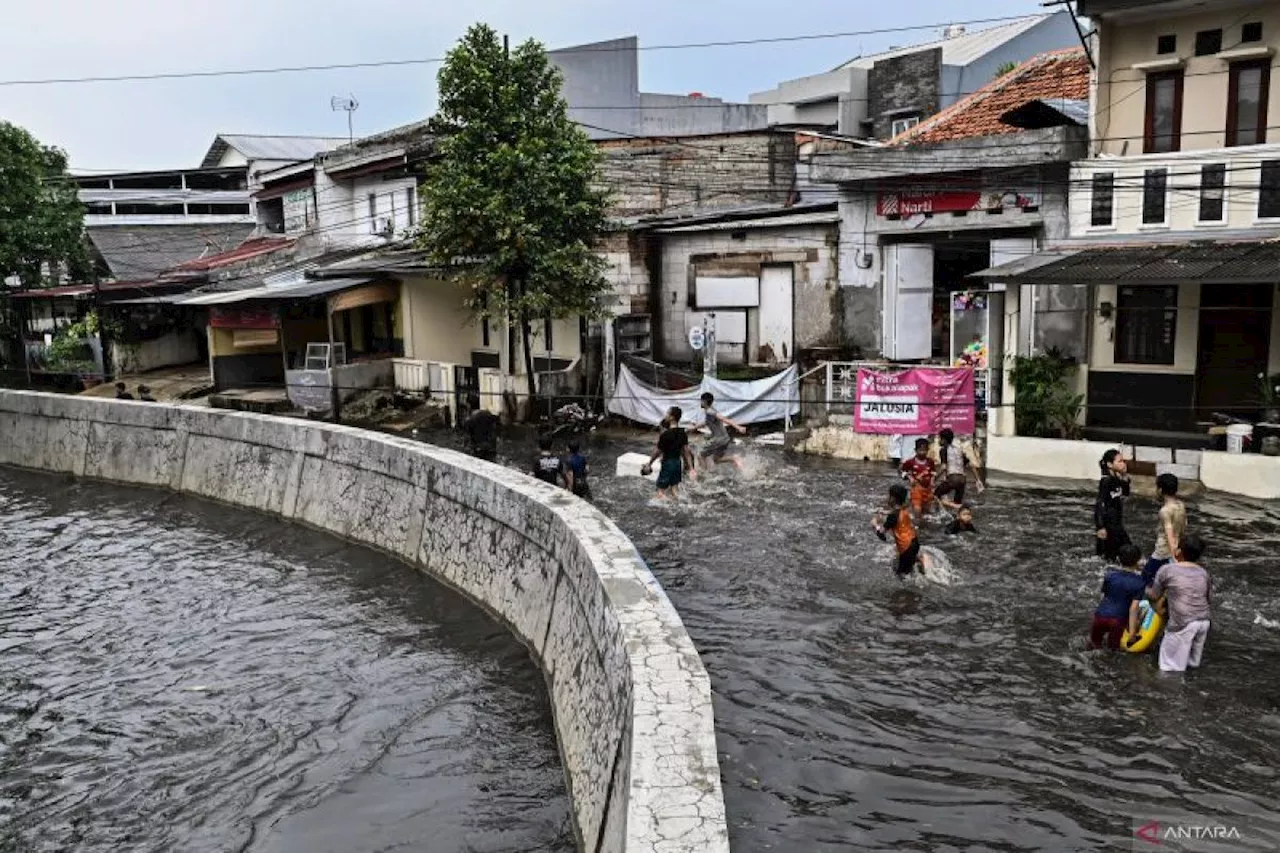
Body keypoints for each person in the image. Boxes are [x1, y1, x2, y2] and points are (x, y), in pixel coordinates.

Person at [1147, 534, 1212, 673]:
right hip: (1203, 621)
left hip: (1182, 623)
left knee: (1169, 669)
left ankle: (1170, 693)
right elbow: (1208, 599)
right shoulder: (1203, 572)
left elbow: (1154, 595)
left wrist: (1142, 587)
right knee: (1192, 666)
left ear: (1179, 552)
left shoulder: (1167, 570)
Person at [1089, 543, 1146, 650]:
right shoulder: (1139, 582)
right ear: (1138, 560)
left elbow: (1103, 598)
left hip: (1099, 617)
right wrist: (1132, 634)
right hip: (1117, 621)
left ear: (1118, 559)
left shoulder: (1109, 576)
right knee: (1113, 651)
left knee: (1093, 645)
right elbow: (1133, 609)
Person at [643, 407, 696, 501]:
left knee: (660, 492)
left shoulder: (665, 435)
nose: (665, 415)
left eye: (667, 413)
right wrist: (691, 468)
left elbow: (657, 452)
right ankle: (681, 504)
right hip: (678, 463)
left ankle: (668, 504)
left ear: (672, 417)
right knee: (675, 490)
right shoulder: (682, 433)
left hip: (667, 464)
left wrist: (649, 463)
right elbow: (686, 452)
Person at [1143, 473, 1187, 586]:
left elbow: (1169, 532)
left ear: (1161, 490)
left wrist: (1174, 555)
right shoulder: (1180, 505)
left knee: (1145, 578)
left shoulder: (1165, 511)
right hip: (1177, 546)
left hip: (1163, 551)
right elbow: (1183, 526)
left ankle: (1146, 602)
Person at [873, 483, 922, 578]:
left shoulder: (892, 516)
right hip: (914, 542)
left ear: (893, 498)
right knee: (910, 569)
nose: (888, 498)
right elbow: (896, 512)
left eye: (889, 496)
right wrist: (885, 513)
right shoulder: (903, 509)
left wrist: (875, 524)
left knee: (901, 576)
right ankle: (921, 565)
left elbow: (881, 534)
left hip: (906, 547)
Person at [933, 428, 985, 509]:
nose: (939, 440)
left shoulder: (943, 450)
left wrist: (934, 479)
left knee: (935, 495)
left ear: (944, 440)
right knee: (957, 502)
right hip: (963, 480)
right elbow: (970, 465)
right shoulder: (958, 450)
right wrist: (978, 480)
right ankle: (957, 512)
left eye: (940, 438)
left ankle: (941, 514)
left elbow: (944, 467)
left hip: (953, 479)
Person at [1095, 449, 1131, 562]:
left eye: (1123, 461)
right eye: (1120, 461)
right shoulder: (1106, 481)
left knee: (1116, 556)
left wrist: (1124, 476)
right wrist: (1100, 526)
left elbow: (1125, 493)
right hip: (1109, 525)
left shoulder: (1116, 479)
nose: (1123, 464)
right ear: (1110, 464)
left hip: (1117, 523)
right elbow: (1100, 503)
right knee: (1127, 553)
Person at [698, 392, 747, 471]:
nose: (700, 403)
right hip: (725, 438)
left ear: (704, 401)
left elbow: (724, 419)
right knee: (716, 459)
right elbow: (706, 422)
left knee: (700, 455)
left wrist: (738, 427)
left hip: (718, 439)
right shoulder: (711, 410)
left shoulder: (710, 411)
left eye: (701, 401)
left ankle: (704, 475)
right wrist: (694, 427)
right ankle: (734, 458)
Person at [900, 438, 938, 518]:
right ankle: (916, 527)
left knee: (927, 514)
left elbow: (933, 473)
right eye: (920, 450)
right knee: (917, 511)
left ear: (928, 450)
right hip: (916, 490)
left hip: (928, 490)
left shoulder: (930, 462)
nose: (922, 452)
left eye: (924, 450)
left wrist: (932, 481)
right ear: (915, 450)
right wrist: (910, 477)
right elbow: (901, 471)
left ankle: (925, 528)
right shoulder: (910, 462)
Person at [462, 394, 500, 462]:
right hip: (491, 449)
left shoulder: (469, 420)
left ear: (469, 405)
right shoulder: (488, 414)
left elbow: (467, 440)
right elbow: (495, 430)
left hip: (478, 451)